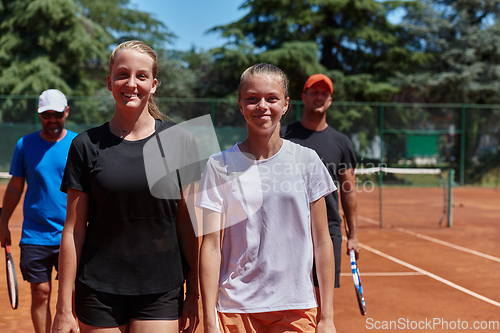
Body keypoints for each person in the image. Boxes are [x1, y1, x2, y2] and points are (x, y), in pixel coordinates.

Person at [51, 40, 200, 333]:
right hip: (98, 290)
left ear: (154, 84)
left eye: (141, 76)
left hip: (162, 288)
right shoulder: (85, 144)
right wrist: (63, 308)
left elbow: (188, 224)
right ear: (109, 81)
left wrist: (194, 294)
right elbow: (73, 229)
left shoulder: (179, 140)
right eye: (122, 74)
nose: (131, 83)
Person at [198, 63, 337, 333]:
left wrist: (326, 317)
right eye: (252, 99)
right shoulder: (218, 165)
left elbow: (322, 241)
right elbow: (211, 246)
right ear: (240, 105)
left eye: (271, 98)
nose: (262, 106)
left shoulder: (307, 160)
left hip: (295, 308)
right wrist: (210, 320)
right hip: (234, 309)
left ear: (285, 104)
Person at [0, 89, 77, 333]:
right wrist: (3, 222)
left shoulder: (79, 144)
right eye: (46, 115)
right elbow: (14, 187)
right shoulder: (24, 144)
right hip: (35, 235)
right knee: (40, 292)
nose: (52, 119)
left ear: (66, 112)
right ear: (39, 115)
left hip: (72, 235)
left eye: (57, 114)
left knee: (73, 296)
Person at [280, 74, 360, 294]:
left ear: (330, 100)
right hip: (288, 230)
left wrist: (353, 235)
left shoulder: (341, 141)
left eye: (324, 93)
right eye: (314, 92)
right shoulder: (282, 135)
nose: (319, 97)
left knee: (322, 304)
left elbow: (348, 190)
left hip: (328, 232)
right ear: (303, 97)